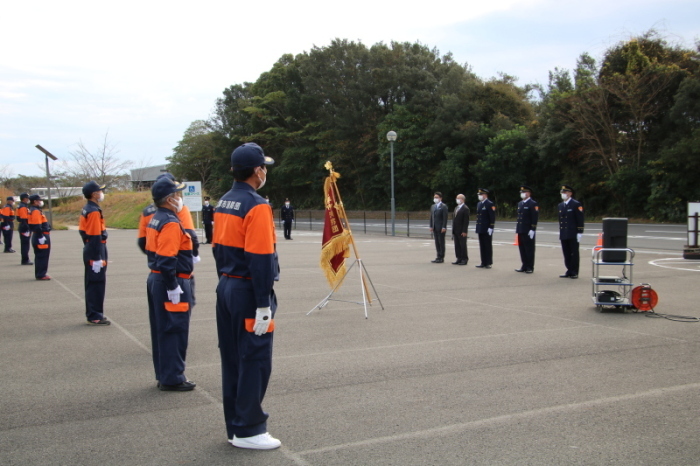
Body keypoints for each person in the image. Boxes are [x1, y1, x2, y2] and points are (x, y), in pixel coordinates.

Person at [213, 142, 281, 450]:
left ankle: (236, 425)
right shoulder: (256, 205)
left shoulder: (224, 202)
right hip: (247, 289)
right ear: (257, 171)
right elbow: (261, 258)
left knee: (232, 360)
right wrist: (263, 304)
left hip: (227, 284)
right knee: (255, 359)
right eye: (264, 167)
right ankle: (250, 428)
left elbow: (218, 249)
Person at [146, 177, 196, 391]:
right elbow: (167, 259)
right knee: (174, 330)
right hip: (171, 281)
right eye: (177, 194)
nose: (180, 198)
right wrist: (173, 286)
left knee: (162, 330)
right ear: (169, 199)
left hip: (157, 279)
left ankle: (164, 374)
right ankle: (173, 377)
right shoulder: (170, 222)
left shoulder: (156, 217)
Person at [79, 181, 110, 325]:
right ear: (93, 194)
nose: (101, 193)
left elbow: (83, 232)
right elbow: (95, 235)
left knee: (93, 282)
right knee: (96, 283)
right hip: (96, 249)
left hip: (91, 247)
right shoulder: (93, 211)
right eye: (99, 191)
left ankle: (94, 313)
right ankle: (95, 315)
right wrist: (97, 257)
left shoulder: (88, 208)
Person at [558, 185, 585, 279]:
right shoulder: (561, 205)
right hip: (564, 233)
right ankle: (569, 270)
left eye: (565, 192)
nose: (563, 194)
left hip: (573, 232)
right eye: (562, 192)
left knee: (574, 253)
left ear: (570, 193)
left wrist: (580, 231)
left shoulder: (576, 204)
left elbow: (580, 218)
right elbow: (560, 220)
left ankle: (574, 271)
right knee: (566, 253)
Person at [515, 185, 538, 274]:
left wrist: (533, 228)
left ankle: (530, 266)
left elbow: (534, 217)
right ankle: (524, 265)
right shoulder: (520, 203)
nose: (522, 194)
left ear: (529, 193)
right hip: (521, 229)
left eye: (524, 192)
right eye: (521, 193)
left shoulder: (533, 203)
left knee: (529, 249)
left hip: (528, 230)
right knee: (522, 249)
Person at [28, 194, 51, 280]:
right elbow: (37, 225)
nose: (40, 202)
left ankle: (40, 273)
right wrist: (41, 236)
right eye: (39, 200)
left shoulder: (33, 210)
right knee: (42, 256)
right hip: (41, 235)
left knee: (40, 256)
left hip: (38, 235)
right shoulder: (36, 211)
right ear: (34, 201)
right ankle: (41, 274)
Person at [475, 188, 495, 269]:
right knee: (482, 246)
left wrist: (491, 227)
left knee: (487, 246)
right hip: (480, 228)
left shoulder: (490, 204)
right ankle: (483, 262)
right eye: (479, 195)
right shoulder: (479, 204)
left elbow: (492, 216)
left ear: (485, 195)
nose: (479, 196)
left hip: (487, 228)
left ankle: (488, 262)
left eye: (481, 194)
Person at [429, 192, 448, 263]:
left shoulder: (443, 206)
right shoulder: (433, 206)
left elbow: (445, 218)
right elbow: (431, 217)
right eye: (434, 197)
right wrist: (431, 226)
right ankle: (438, 256)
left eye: (437, 197)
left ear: (440, 198)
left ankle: (441, 257)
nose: (435, 199)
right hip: (435, 227)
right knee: (437, 242)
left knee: (441, 242)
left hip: (440, 227)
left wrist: (444, 227)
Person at [452, 194, 469, 265]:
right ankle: (458, 258)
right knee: (457, 245)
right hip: (456, 230)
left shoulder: (465, 208)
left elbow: (466, 221)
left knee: (463, 245)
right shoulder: (456, 208)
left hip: (461, 230)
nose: (457, 200)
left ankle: (464, 259)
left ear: (462, 199)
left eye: (458, 198)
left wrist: (464, 231)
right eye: (456, 198)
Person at [16, 193, 32, 265]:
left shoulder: (22, 206)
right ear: (24, 198)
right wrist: (27, 228)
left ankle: (25, 259)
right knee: (25, 244)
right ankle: (25, 259)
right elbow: (23, 218)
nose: (28, 199)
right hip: (24, 227)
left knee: (25, 244)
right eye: (27, 198)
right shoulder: (23, 207)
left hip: (23, 226)